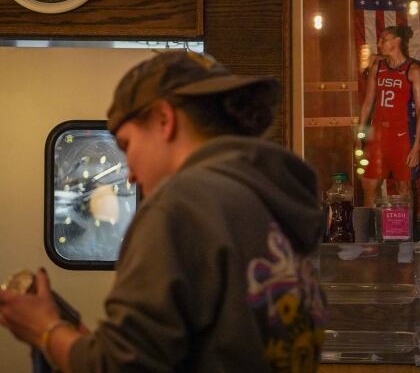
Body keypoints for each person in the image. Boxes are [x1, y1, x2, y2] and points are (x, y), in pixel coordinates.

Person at [0, 51, 326, 372]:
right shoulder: (277, 202)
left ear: (163, 120)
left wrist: (44, 329)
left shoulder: (180, 204)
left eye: (126, 145)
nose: (128, 172)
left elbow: (119, 367)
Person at [356, 26, 420, 207]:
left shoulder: (413, 69)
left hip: (402, 136)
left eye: (384, 39)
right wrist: (360, 135)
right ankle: (370, 233)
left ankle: (405, 235)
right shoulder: (378, 66)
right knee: (369, 185)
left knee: (404, 188)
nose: (379, 43)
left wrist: (416, 147)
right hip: (378, 134)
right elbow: (367, 104)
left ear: (397, 41)